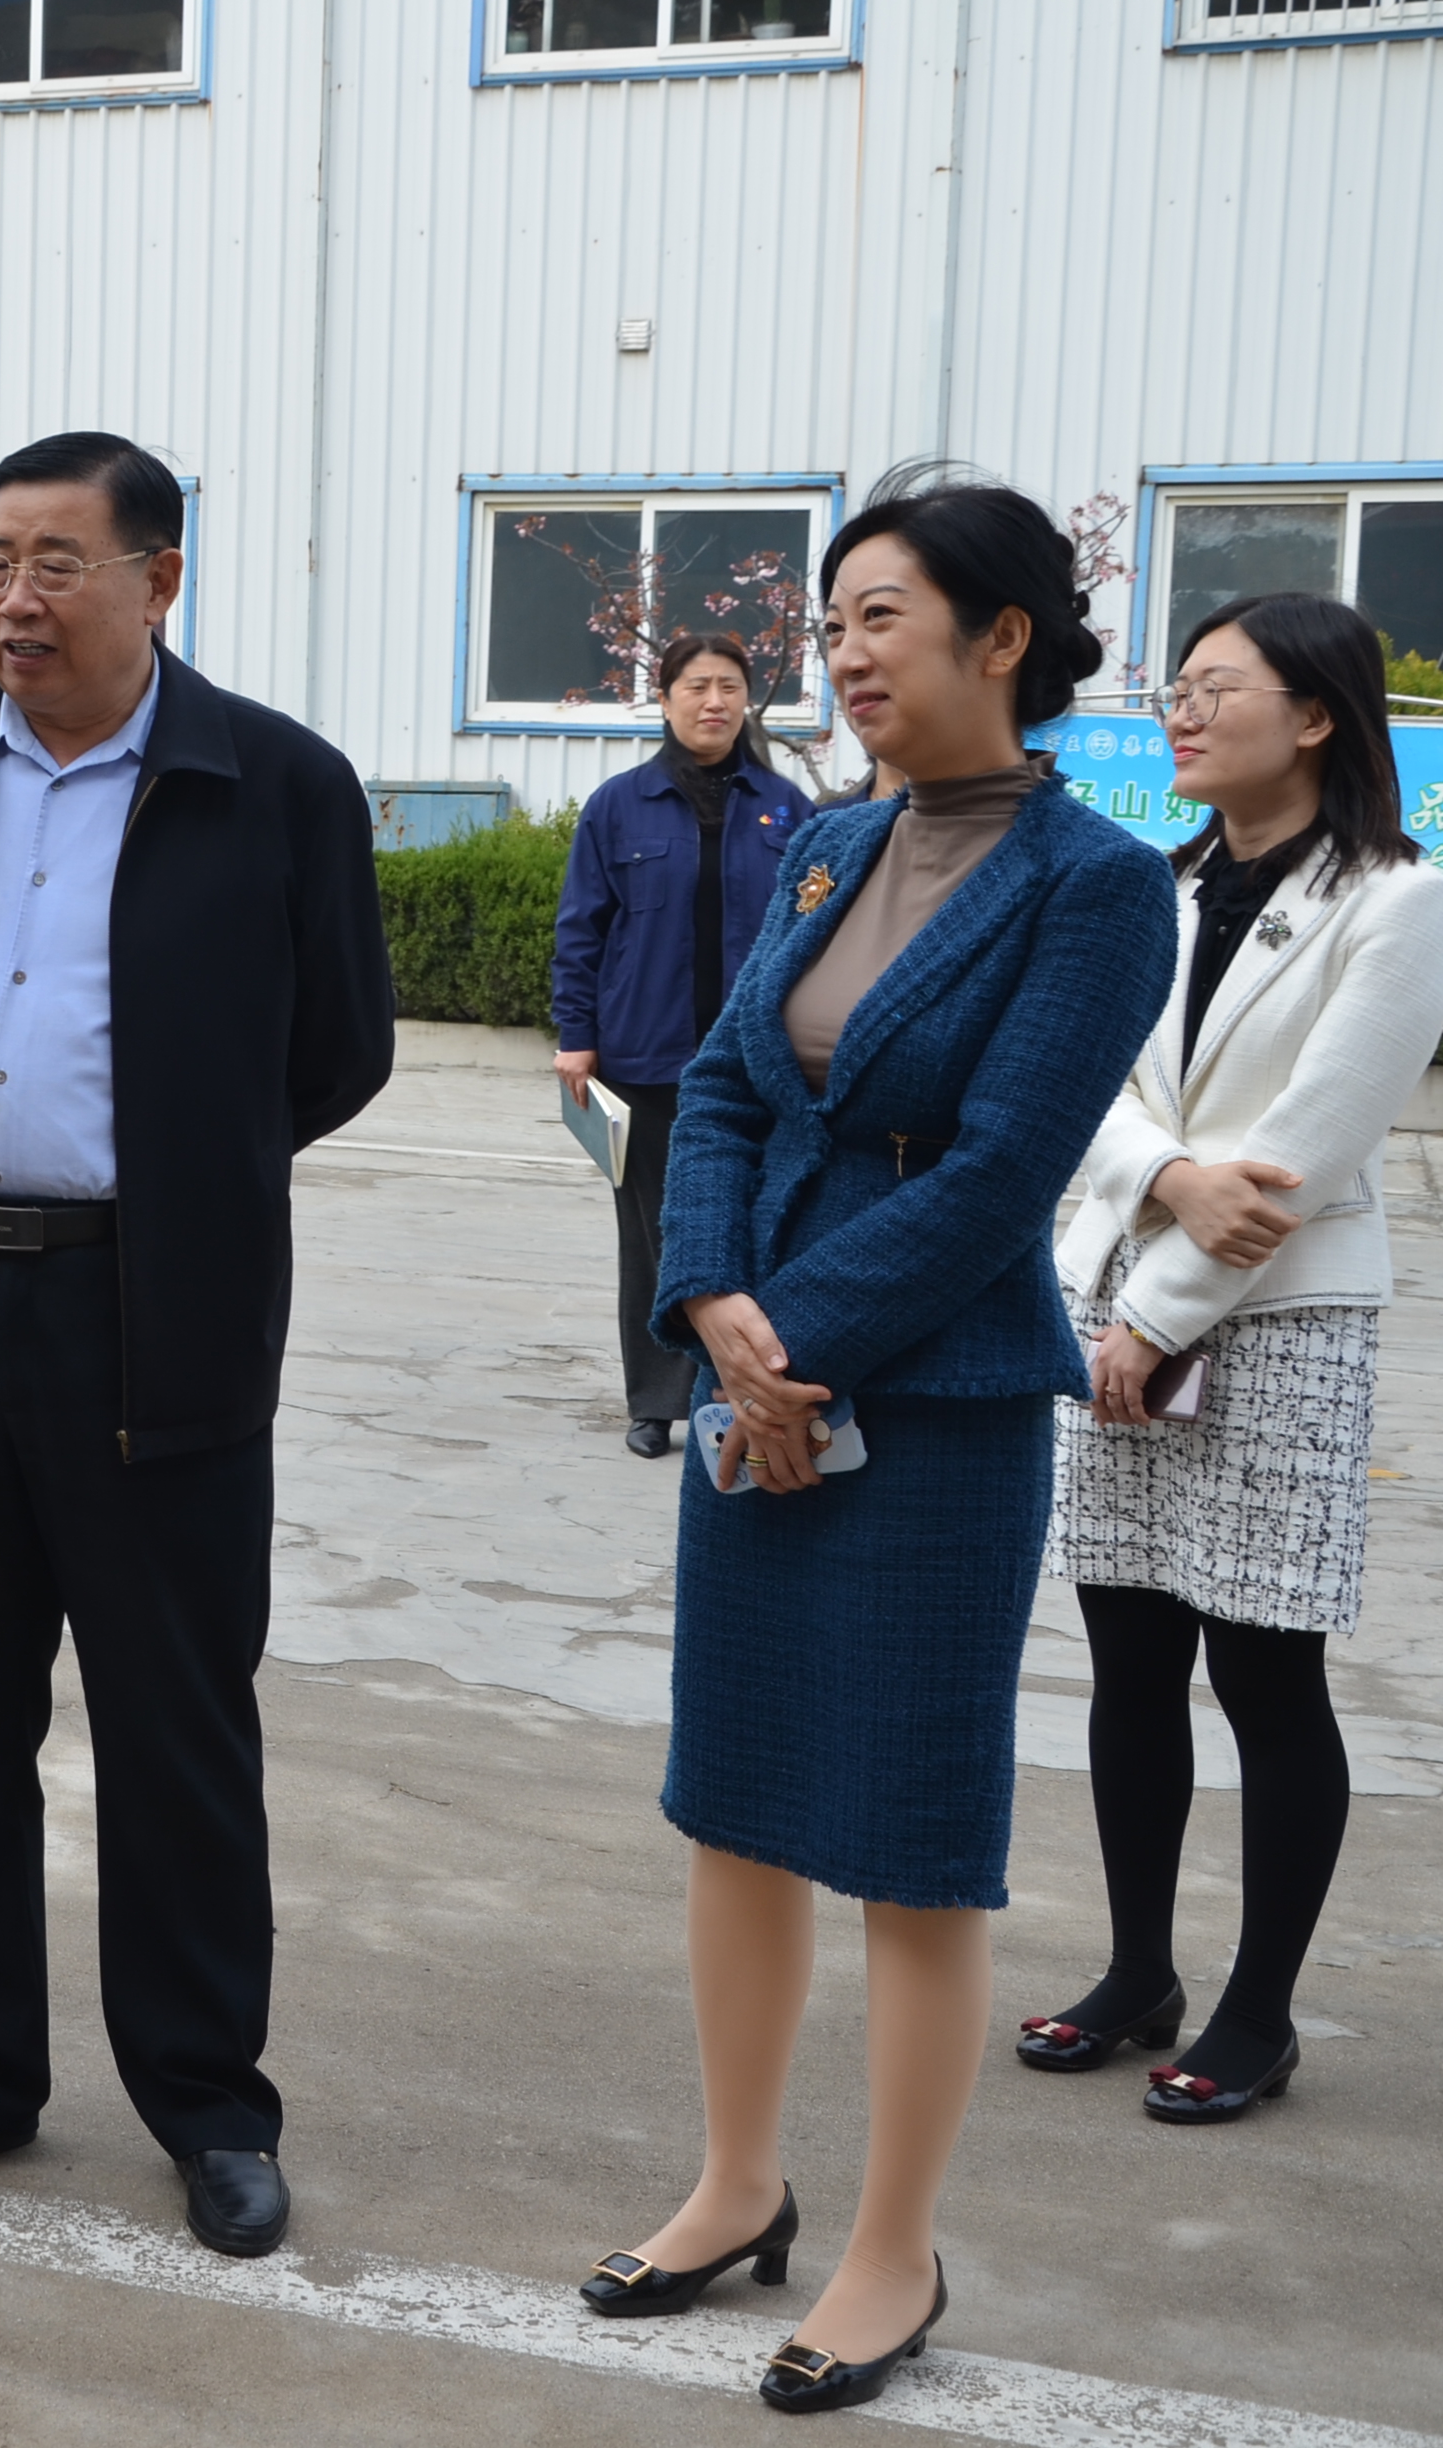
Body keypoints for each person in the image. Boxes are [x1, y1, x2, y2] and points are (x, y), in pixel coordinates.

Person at [576, 466, 1172, 2414]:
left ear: (1003, 636)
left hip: (935, 1411)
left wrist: (794, 1346)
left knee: (913, 1844)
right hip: (759, 1383)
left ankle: (892, 2251)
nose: (840, 654)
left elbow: (1002, 1173)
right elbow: (727, 1087)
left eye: (879, 618)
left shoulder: (1095, 886)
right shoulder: (828, 847)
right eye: (829, 624)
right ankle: (737, 2181)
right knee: (736, 1802)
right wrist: (711, 1305)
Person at [0, 431, 394, 2260]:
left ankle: (207, 2100)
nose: (13, 598)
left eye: (57, 562)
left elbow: (338, 1048)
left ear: (159, 580)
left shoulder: (273, 783)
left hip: (155, 1313)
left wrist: (182, 1176)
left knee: (176, 1726)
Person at [1026, 591, 1443, 2121]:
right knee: (1130, 1656)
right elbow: (1075, 1076)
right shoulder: (1153, 886)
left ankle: (1258, 2014)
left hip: (1279, 1322)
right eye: (1176, 689)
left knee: (1267, 1670)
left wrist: (1160, 1311)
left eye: (1216, 688)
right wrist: (1164, 1178)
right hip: (1118, 1292)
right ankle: (1139, 1970)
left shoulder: (1397, 899)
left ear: (1317, 715)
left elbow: (1312, 1147)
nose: (1181, 715)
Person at [550, 634, 816, 1456]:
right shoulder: (618, 806)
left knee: (754, 1225)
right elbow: (581, 930)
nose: (714, 702)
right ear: (664, 700)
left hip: (754, 1061)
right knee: (654, 1233)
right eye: (696, 686)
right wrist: (576, 1037)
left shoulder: (786, 808)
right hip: (645, 1055)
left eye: (729, 686)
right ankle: (655, 1400)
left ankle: (737, 1389)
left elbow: (815, 935)